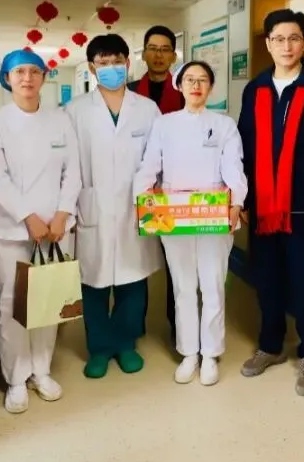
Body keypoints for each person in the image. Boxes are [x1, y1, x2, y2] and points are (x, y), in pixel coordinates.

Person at [236, 8, 304, 397]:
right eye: (279, 39)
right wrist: (241, 198)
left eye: (294, 38)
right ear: (267, 44)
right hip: (263, 208)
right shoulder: (256, 89)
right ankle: (271, 345)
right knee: (266, 282)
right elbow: (244, 148)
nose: (287, 46)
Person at [0, 48, 82, 414]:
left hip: (55, 229)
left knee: (49, 302)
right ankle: (16, 378)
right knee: (12, 305)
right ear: (7, 78)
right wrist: (28, 217)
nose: (27, 78)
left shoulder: (60, 120)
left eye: (34, 72)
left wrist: (62, 214)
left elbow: (73, 172)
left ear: (44, 77)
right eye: (19, 72)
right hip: (9, 230)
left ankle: (41, 371)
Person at [133, 60, 248, 386]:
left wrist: (236, 202)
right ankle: (189, 353)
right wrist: (143, 197)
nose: (196, 86)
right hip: (174, 215)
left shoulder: (224, 125)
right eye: (190, 80)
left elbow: (234, 168)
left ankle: (210, 353)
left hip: (213, 215)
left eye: (203, 80)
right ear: (179, 85)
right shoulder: (164, 124)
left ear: (211, 87)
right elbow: (149, 166)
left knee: (212, 285)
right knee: (183, 287)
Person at [65, 34, 162, 379]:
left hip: (136, 207)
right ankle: (99, 348)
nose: (111, 68)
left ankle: (125, 344)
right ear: (92, 68)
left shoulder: (147, 109)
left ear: (127, 63)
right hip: (92, 206)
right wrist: (68, 210)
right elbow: (68, 165)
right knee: (93, 283)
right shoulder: (75, 111)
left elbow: (159, 157)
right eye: (103, 62)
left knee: (133, 282)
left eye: (117, 61)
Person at [128, 25, 185, 345]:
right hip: (137, 188)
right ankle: (133, 327)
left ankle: (180, 329)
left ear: (173, 56)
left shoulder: (185, 91)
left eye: (165, 50)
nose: (159, 55)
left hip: (173, 192)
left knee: (176, 264)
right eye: (153, 48)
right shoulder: (128, 92)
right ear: (144, 54)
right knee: (135, 261)